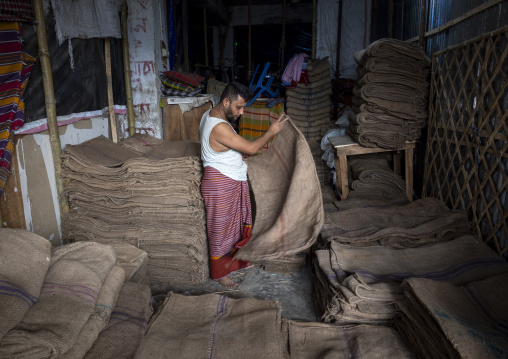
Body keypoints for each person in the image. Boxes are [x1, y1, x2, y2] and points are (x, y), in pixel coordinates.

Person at [199, 82, 289, 288]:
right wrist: (272, 130)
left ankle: (237, 262)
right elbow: (250, 148)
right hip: (220, 184)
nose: (241, 112)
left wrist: (235, 159)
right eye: (238, 107)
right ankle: (220, 274)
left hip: (228, 180)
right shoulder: (219, 126)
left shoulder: (211, 115)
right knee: (220, 232)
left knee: (235, 229)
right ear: (226, 101)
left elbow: (222, 149)